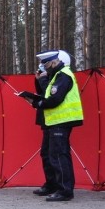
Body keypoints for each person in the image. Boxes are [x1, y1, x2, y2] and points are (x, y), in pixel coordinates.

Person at [28, 50, 84, 201]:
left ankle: (65, 190)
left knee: (59, 155)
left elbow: (54, 98)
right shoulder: (55, 76)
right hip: (52, 121)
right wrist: (40, 80)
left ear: (54, 62)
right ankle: (52, 184)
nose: (44, 68)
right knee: (47, 154)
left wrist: (38, 103)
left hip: (62, 121)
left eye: (46, 64)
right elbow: (46, 93)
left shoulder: (63, 75)